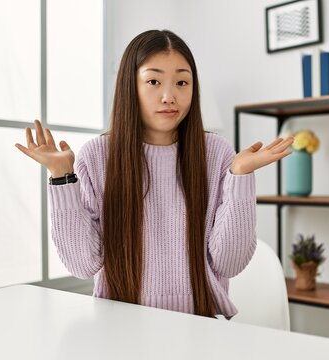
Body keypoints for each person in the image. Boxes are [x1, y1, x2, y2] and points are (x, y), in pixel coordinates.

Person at [15, 29, 293, 319]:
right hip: (120, 326)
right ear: (130, 86)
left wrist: (241, 176)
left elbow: (229, 263)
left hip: (200, 326)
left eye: (182, 82)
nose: (169, 96)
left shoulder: (218, 153)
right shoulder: (98, 156)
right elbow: (82, 265)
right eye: (153, 81)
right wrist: (62, 177)